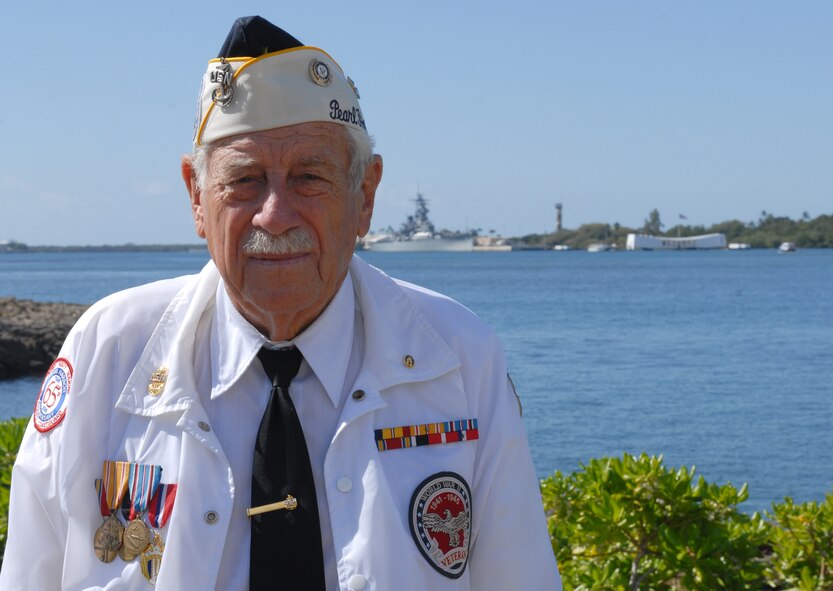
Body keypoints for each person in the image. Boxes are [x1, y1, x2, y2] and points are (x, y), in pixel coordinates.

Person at [0, 16, 561, 591]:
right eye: (243, 180)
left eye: (309, 178)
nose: (274, 214)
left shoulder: (460, 359)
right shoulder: (107, 354)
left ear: (364, 196)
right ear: (197, 196)